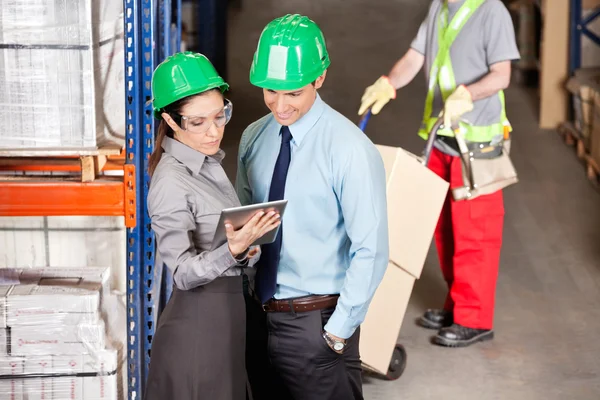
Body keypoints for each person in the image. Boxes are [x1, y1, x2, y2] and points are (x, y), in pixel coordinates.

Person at [236, 14, 389, 400]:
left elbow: (370, 249)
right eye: (271, 91)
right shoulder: (255, 137)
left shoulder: (348, 149)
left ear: (319, 79)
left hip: (316, 324)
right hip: (260, 315)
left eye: (293, 93)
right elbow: (244, 218)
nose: (280, 105)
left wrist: (338, 332)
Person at [358, 0, 520, 347]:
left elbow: (502, 74)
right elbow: (416, 55)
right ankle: (457, 305)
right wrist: (389, 82)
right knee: (445, 230)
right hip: (441, 138)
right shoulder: (440, 7)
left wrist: (469, 93)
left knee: (475, 235)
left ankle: (474, 319)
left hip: (475, 145)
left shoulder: (492, 11)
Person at [144, 51, 281, 400]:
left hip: (228, 319)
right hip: (198, 329)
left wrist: (247, 246)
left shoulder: (208, 163)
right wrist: (232, 250)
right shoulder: (171, 182)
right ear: (171, 122)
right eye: (199, 122)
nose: (214, 130)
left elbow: (225, 243)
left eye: (220, 115)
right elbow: (182, 273)